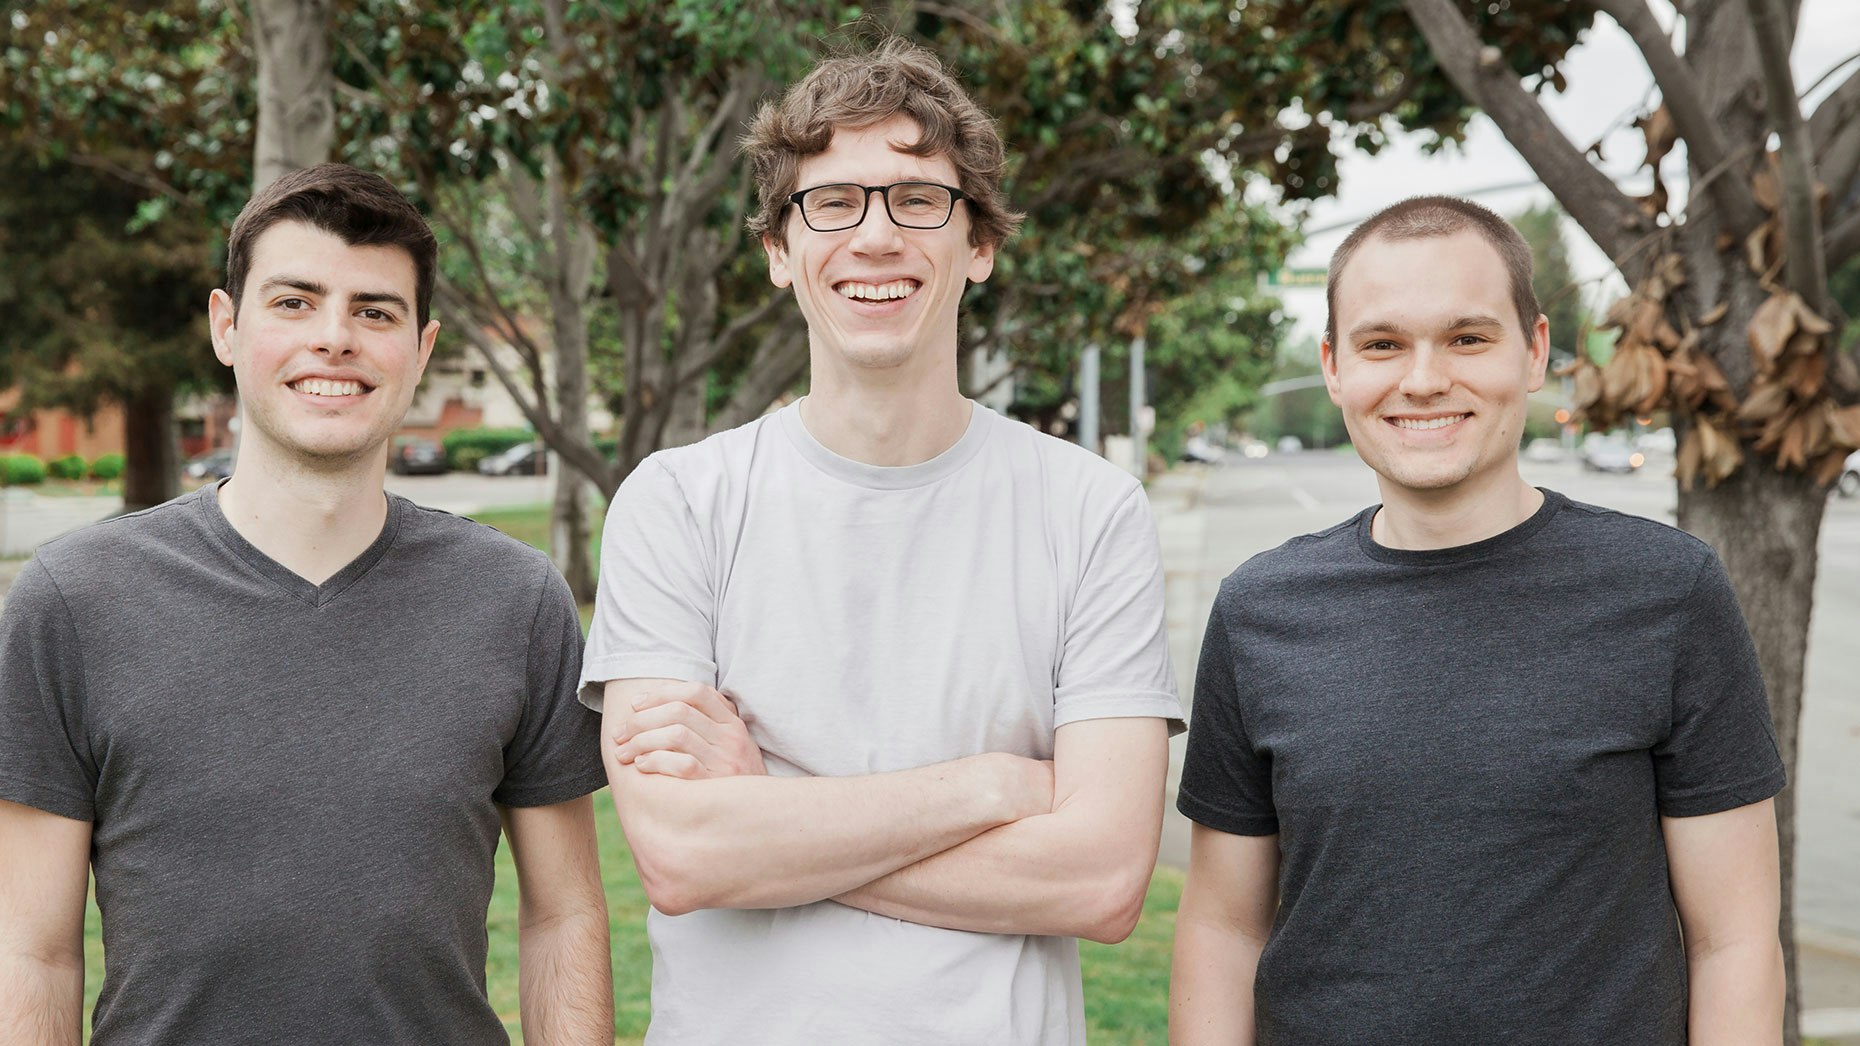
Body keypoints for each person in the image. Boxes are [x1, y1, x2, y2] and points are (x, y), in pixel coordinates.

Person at [578, 39, 1181, 1045]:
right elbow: (684, 854)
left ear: (978, 243)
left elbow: (1106, 876)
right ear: (779, 250)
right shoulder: (676, 502)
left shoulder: (1092, 510)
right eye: (833, 201)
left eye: (917, 199)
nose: (875, 235)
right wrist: (996, 787)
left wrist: (768, 815)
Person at [0, 164, 613, 1044]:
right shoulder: (73, 600)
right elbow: (33, 952)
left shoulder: (516, 602)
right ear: (226, 326)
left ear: (423, 348)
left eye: (375, 311)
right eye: (294, 301)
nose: (336, 338)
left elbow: (565, 919)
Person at [1169, 195, 1786, 1044]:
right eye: (1383, 344)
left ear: (1533, 352)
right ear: (1334, 366)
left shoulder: (1669, 593)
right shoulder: (1258, 611)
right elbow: (1222, 928)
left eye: (1467, 338)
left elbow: (1736, 941)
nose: (1423, 379)